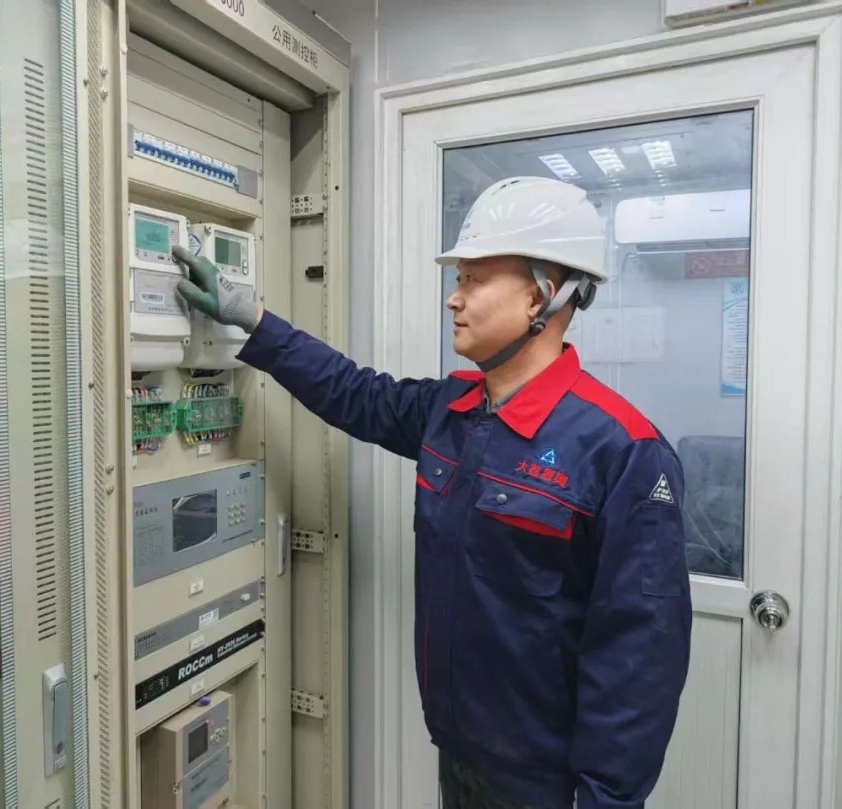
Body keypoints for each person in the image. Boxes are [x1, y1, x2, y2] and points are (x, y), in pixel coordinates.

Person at [172, 175, 692, 809]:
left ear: (541, 296)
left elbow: (639, 657)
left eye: (474, 279)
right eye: (458, 279)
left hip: (548, 782)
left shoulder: (623, 451)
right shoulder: (452, 409)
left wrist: (608, 799)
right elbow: (355, 393)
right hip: (458, 749)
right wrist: (252, 319)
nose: (454, 298)